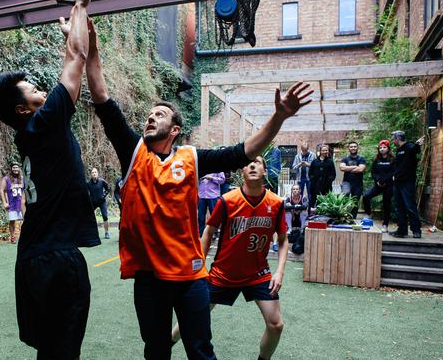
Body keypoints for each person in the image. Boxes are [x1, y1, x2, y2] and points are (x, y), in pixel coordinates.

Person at [84, 18, 313, 360]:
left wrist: (278, 118)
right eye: (149, 114)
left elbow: (243, 151)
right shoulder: (134, 154)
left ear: (174, 129)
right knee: (157, 349)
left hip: (190, 276)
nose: (150, 117)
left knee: (201, 350)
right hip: (149, 277)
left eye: (159, 114)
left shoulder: (191, 158)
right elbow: (102, 99)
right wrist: (92, 52)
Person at [0, 0, 100, 358]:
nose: (42, 92)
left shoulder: (33, 135)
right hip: (55, 259)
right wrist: (80, 8)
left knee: (50, 351)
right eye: (34, 92)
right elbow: (76, 61)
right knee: (63, 352)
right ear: (23, 109)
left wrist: (72, 35)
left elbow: (73, 59)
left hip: (32, 260)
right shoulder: (44, 123)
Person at [171, 156, 288, 360]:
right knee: (191, 318)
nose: (252, 165)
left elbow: (284, 239)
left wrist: (279, 272)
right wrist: (199, 265)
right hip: (223, 273)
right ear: (241, 172)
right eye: (247, 163)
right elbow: (208, 231)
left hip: (258, 273)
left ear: (265, 171)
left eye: (258, 162)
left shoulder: (276, 203)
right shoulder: (227, 201)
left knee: (276, 324)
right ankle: (165, 345)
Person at [389, 131, 425, 239]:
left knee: (410, 206)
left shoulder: (409, 146)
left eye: (393, 139)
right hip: (398, 182)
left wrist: (418, 144)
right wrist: (394, 175)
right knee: (399, 207)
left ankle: (416, 231)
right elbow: (399, 165)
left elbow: (415, 149)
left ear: (397, 138)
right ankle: (402, 230)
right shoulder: (399, 150)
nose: (392, 141)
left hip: (407, 182)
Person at [362, 140, 394, 232]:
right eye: (380, 148)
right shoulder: (377, 159)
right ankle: (368, 213)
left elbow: (393, 172)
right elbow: (373, 171)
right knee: (366, 196)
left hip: (389, 185)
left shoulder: (393, 159)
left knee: (386, 204)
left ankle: (385, 225)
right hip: (378, 185)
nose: (382, 149)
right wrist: (378, 181)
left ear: (388, 149)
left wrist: (385, 181)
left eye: (384, 147)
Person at [339, 141, 367, 219]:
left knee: (355, 201)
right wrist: (355, 167)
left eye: (355, 146)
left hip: (358, 184)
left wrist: (347, 168)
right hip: (346, 183)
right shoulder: (345, 159)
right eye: (351, 147)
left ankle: (352, 218)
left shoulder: (361, 158)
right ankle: (344, 216)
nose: (353, 148)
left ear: (357, 148)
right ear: (349, 148)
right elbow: (342, 168)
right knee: (345, 198)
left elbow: (361, 169)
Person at [0, 162, 26, 244]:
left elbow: (25, 190)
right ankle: (13, 236)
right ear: (11, 169)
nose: (15, 169)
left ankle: (24, 236)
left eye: (17, 167)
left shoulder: (22, 178)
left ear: (19, 169)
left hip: (21, 203)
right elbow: (1, 190)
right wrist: (4, 202)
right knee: (12, 221)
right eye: (14, 167)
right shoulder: (6, 178)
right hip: (12, 203)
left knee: (25, 220)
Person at [308, 145, 336, 213]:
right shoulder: (314, 161)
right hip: (315, 185)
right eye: (323, 150)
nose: (325, 152)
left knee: (326, 200)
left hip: (326, 185)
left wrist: (329, 181)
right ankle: (312, 214)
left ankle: (324, 213)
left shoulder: (330, 162)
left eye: (326, 150)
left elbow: (333, 174)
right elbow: (310, 173)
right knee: (314, 199)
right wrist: (313, 180)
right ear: (320, 151)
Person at [86, 167, 111, 239]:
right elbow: (85, 192)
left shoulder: (102, 181)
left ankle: (106, 233)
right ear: (91, 174)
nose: (94, 174)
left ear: (97, 173)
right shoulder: (88, 183)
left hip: (101, 202)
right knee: (89, 217)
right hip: (93, 203)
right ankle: (90, 233)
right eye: (93, 172)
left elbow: (108, 188)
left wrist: (104, 195)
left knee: (105, 216)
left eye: (95, 172)